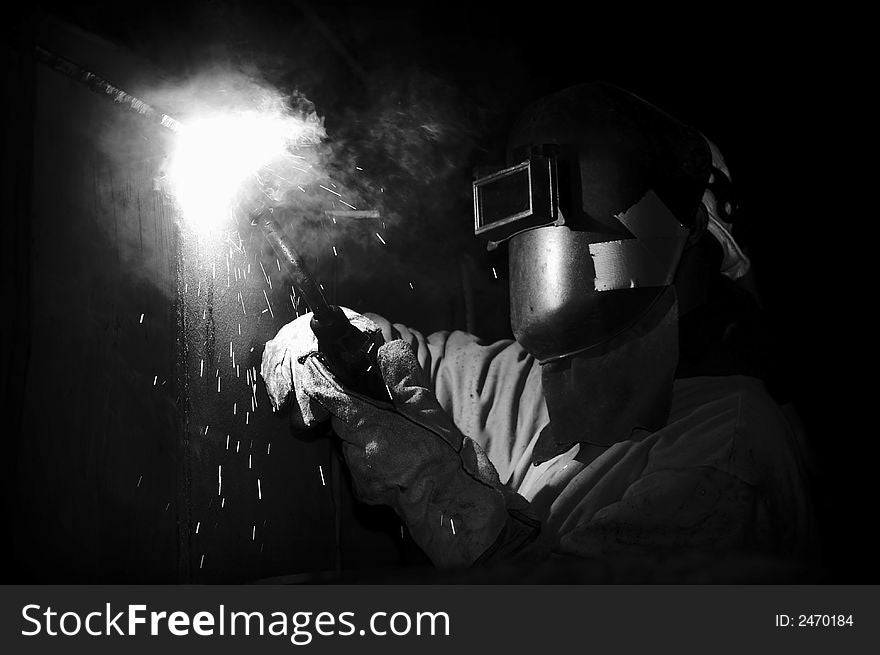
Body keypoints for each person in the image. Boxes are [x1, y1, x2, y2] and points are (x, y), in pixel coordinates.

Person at [261, 83, 814, 581]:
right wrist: (343, 339)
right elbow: (414, 364)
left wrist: (434, 479)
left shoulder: (732, 441)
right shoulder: (532, 376)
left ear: (691, 234)